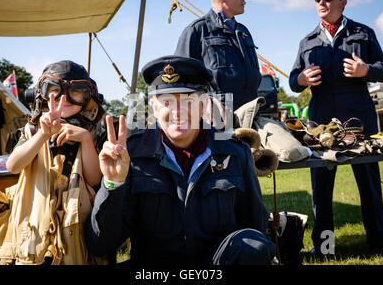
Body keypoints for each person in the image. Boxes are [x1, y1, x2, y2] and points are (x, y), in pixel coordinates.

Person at [85, 55, 275, 265]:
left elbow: (254, 226)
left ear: (203, 104)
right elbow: (101, 244)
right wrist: (113, 183)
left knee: (254, 246)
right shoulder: (132, 156)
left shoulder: (234, 152)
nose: (178, 111)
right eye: (167, 101)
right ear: (153, 107)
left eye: (188, 100)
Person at [289, 0, 383, 255]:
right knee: (321, 191)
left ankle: (379, 247)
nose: (321, 2)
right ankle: (325, 249)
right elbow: (292, 81)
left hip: (358, 121)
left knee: (369, 186)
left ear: (343, 1)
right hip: (320, 124)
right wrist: (300, 78)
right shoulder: (307, 41)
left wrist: (366, 71)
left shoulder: (364, 33)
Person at [0, 60, 106, 264]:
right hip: (34, 231)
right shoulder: (32, 129)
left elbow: (94, 180)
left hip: (76, 228)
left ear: (88, 97)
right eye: (54, 90)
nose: (64, 99)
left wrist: (85, 139)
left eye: (76, 91)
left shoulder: (96, 132)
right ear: (40, 93)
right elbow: (13, 166)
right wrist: (42, 134)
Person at [174, 0, 261, 111]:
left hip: (250, 113)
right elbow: (181, 82)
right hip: (216, 120)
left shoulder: (244, 32)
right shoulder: (197, 30)